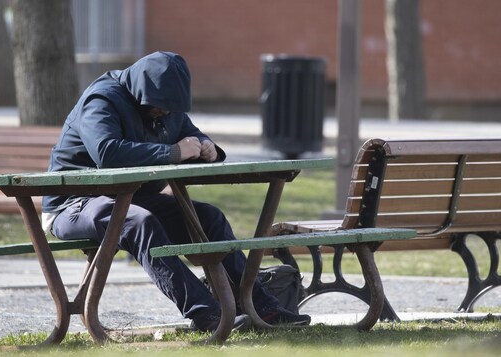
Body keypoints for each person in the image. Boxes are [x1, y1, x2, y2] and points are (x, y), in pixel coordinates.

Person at [41, 51, 311, 332]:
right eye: (159, 107)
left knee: (209, 218)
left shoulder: (168, 107)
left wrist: (208, 149)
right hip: (75, 203)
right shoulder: (102, 99)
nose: (165, 113)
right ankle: (206, 313)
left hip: (134, 199)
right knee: (136, 222)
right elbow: (107, 152)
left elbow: (191, 133)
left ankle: (261, 307)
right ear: (142, 91)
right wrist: (173, 151)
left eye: (171, 109)